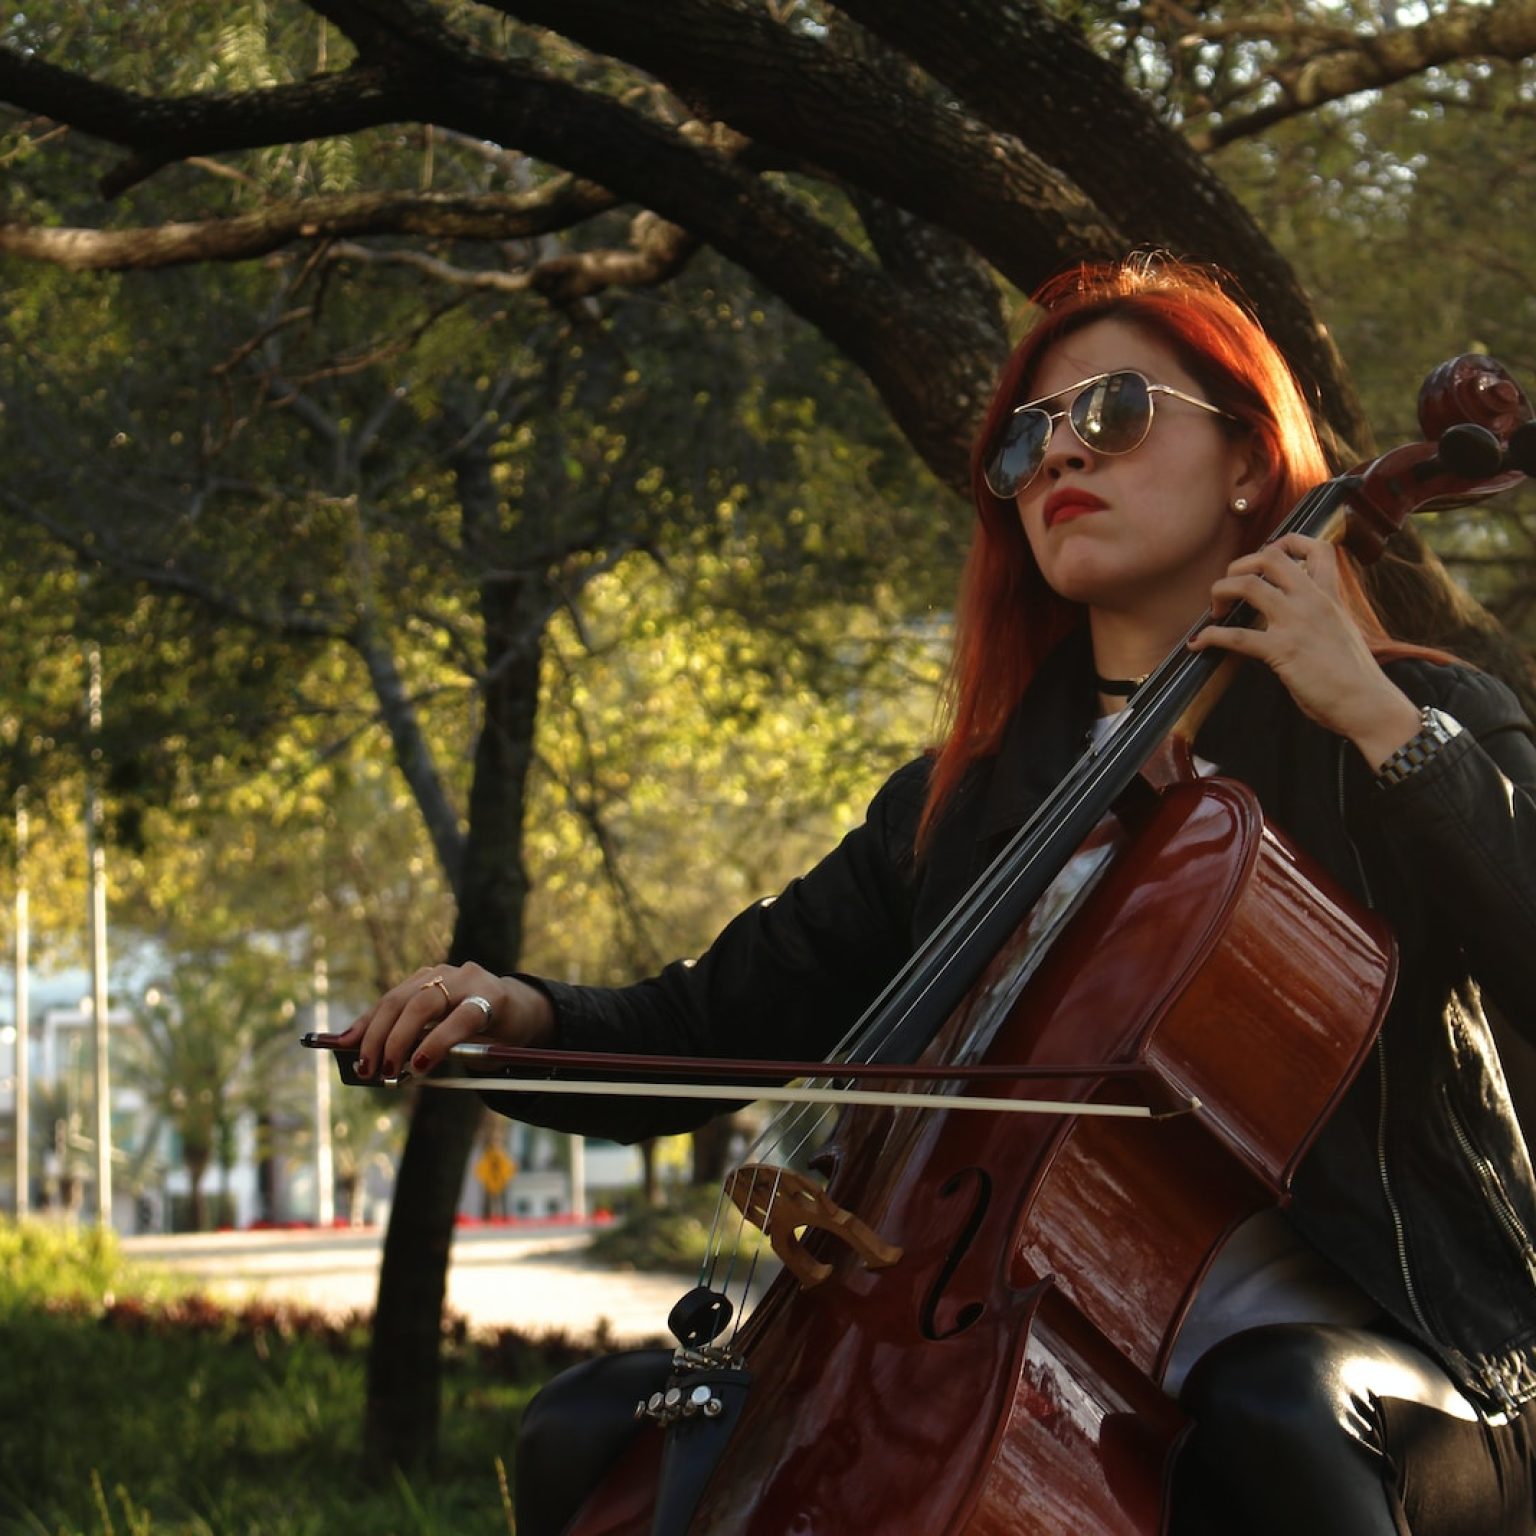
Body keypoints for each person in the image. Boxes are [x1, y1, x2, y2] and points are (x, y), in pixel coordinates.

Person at [339, 256, 1536, 1533]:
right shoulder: (958, 804)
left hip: (1405, 1347)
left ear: (1248, 463)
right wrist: (513, 1016)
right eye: (1026, 445)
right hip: (1028, 1334)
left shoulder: (1410, 723)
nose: (1062, 458)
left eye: (1115, 414)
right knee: (587, 1431)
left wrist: (1369, 711)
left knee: (1273, 1414)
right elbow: (705, 1027)